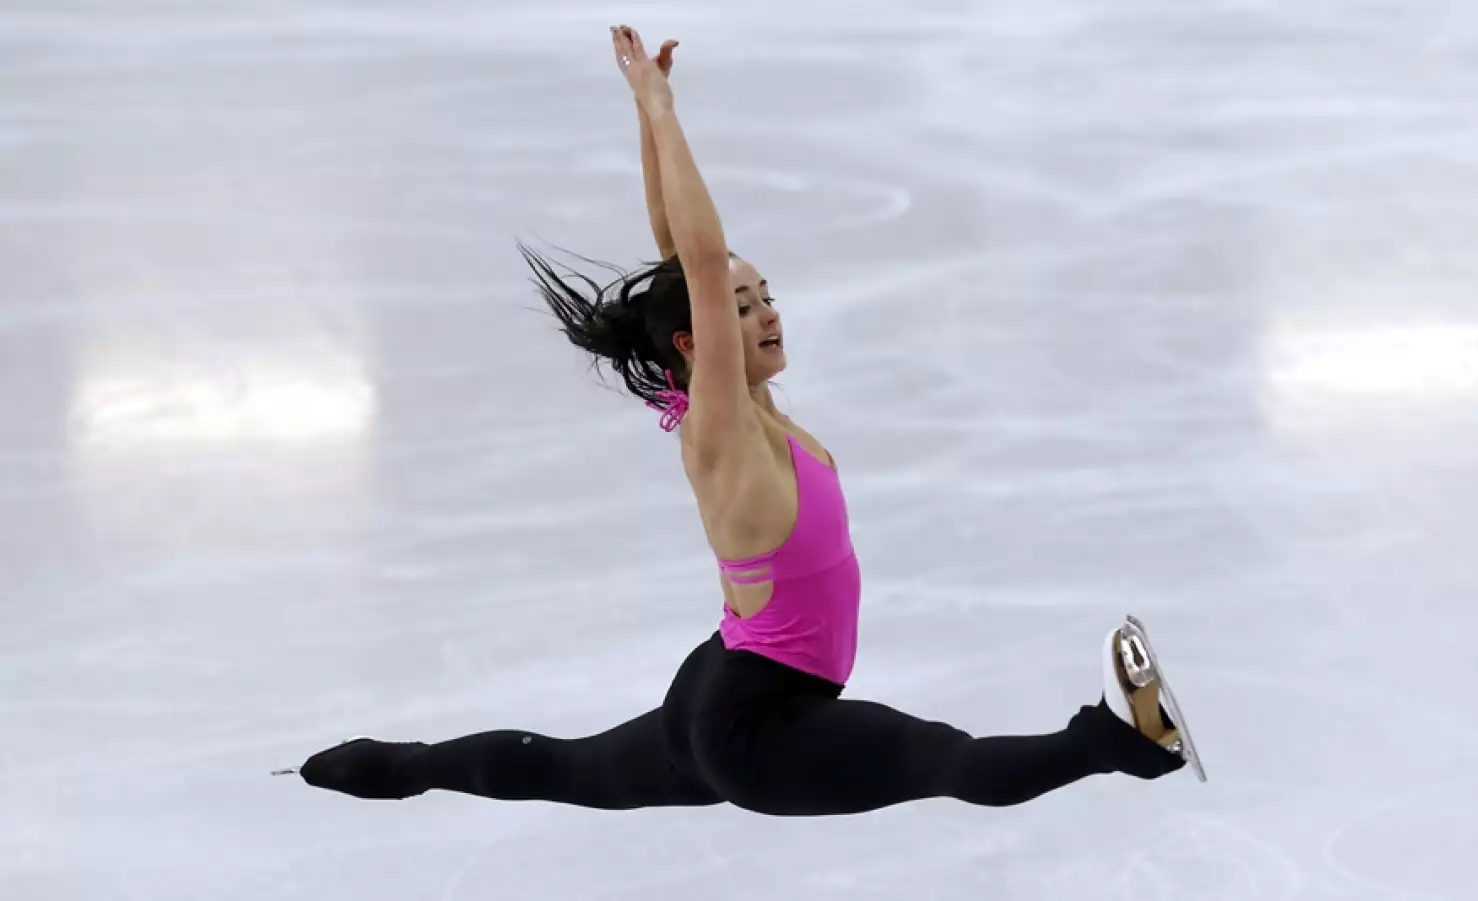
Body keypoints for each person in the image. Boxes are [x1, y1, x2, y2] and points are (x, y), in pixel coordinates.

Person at [294, 25, 1200, 816]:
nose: (766, 312)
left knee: (569, 769)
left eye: (767, 295)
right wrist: (663, 112)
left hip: (723, 684)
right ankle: (1122, 741)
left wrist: (650, 117)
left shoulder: (747, 411)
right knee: (941, 758)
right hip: (758, 723)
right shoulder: (721, 429)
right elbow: (693, 256)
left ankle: (387, 767)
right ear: (699, 341)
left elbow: (678, 259)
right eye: (741, 306)